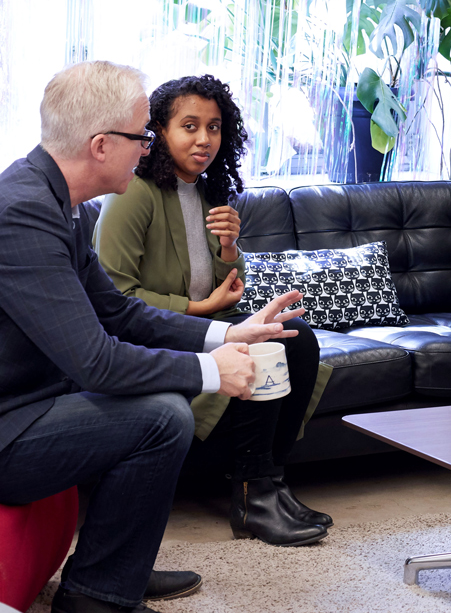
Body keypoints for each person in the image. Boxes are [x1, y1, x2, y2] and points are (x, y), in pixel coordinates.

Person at [0, 61, 305, 613]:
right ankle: (99, 597)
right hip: (9, 427)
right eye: (142, 135)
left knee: (162, 406)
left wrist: (227, 332)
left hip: (32, 404)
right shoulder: (22, 213)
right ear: (99, 145)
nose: (147, 148)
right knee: (163, 416)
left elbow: (117, 312)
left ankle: (112, 576)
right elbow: (97, 361)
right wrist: (215, 371)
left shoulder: (58, 204)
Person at [92, 74, 331, 548]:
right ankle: (253, 496)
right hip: (152, 335)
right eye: (189, 126)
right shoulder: (133, 194)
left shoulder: (208, 191)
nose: (205, 139)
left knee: (295, 337)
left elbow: (230, 291)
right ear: (159, 131)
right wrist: (202, 307)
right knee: (260, 350)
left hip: (201, 325)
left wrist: (228, 247)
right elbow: (114, 298)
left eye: (215, 127)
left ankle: (267, 482)